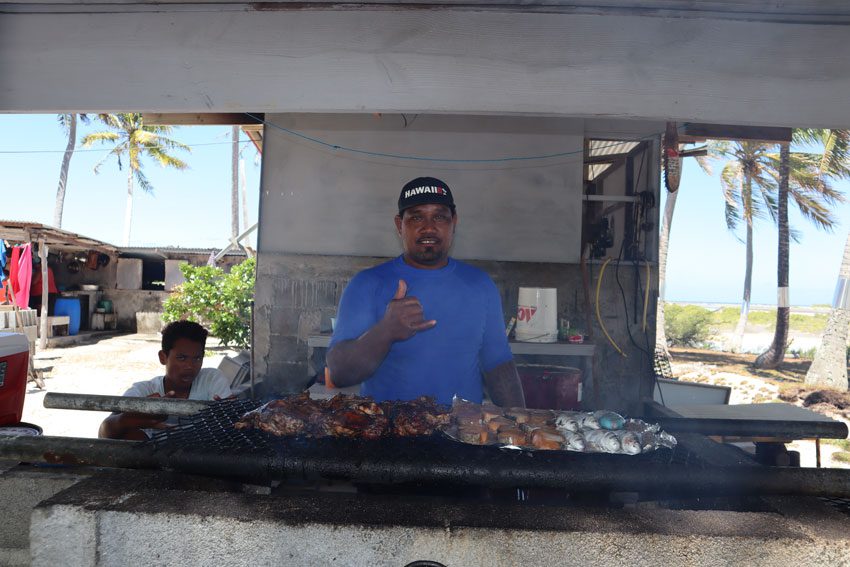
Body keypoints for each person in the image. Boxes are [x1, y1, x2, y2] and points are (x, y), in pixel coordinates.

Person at [326, 177, 525, 407]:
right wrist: (386, 331)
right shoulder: (368, 284)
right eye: (417, 217)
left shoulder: (480, 285)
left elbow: (498, 365)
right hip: (389, 436)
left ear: (454, 223)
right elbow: (340, 374)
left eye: (439, 217)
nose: (429, 227)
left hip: (463, 435)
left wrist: (522, 428)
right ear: (399, 224)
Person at [98, 320, 233, 440]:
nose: (190, 366)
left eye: (197, 358)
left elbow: (232, 421)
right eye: (181, 358)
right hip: (154, 465)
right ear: (163, 357)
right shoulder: (144, 391)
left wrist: (229, 415)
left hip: (203, 462)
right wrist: (126, 420)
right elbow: (104, 432)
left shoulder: (211, 379)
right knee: (130, 436)